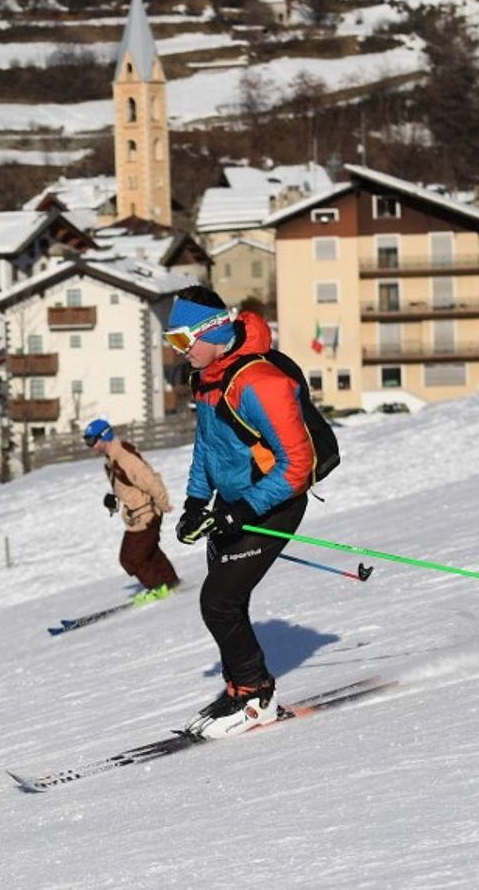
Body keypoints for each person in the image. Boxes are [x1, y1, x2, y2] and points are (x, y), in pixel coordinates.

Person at [166, 285, 315, 738]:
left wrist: (242, 508)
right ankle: (239, 689)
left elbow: (298, 465)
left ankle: (257, 696)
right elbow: (208, 447)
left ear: (211, 331)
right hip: (235, 505)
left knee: (219, 601)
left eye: (180, 340)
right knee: (226, 601)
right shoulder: (208, 377)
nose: (178, 352)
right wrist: (196, 502)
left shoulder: (260, 382)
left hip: (274, 504)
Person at [83, 418, 180, 604]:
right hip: (138, 513)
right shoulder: (112, 458)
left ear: (104, 436)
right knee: (150, 552)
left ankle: (159, 589)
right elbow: (128, 484)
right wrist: (115, 498)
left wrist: (163, 503)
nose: (90, 446)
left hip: (146, 514)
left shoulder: (124, 458)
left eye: (92, 440)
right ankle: (172, 584)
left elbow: (149, 479)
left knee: (130, 558)